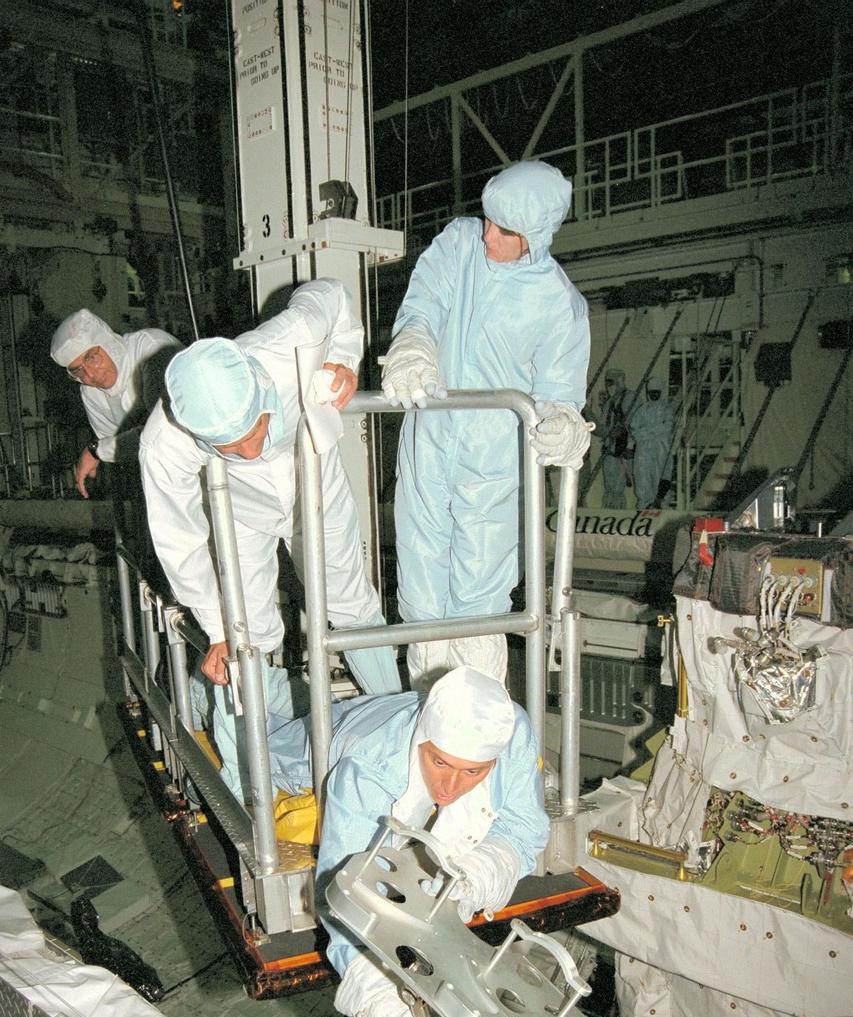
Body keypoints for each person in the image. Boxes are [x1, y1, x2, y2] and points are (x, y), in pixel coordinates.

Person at [139, 278, 400, 801]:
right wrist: (216, 628)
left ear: (261, 390)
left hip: (312, 475)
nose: (251, 449)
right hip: (239, 509)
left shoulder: (288, 341)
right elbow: (181, 541)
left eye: (254, 431)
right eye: (231, 445)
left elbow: (336, 301)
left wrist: (345, 360)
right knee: (246, 637)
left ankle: (402, 718)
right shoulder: (163, 443)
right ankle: (250, 794)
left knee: (349, 600)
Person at [269, 665, 549, 1017]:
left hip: (393, 711)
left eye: (473, 772)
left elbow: (523, 828)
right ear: (425, 741)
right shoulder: (366, 771)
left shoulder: (510, 730)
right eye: (440, 762)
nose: (451, 786)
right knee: (271, 742)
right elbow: (344, 900)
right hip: (317, 745)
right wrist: (391, 1015)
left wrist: (476, 873)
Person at [381, 160, 592, 691]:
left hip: (495, 465)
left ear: (536, 238)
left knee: (478, 600)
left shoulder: (560, 304)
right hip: (429, 445)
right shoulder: (459, 243)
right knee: (421, 591)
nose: (489, 236)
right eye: (488, 221)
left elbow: (560, 392)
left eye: (506, 231)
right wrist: (412, 345)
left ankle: (475, 739)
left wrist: (564, 425)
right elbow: (423, 302)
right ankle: (424, 728)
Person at [50, 309, 179, 499]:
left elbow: (166, 432)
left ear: (107, 343)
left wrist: (96, 451)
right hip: (160, 480)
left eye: (92, 358)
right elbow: (119, 449)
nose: (91, 376)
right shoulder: (90, 392)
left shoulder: (152, 348)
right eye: (78, 371)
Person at [629, 375, 675, 509]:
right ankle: (644, 506)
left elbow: (666, 428)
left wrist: (645, 432)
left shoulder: (666, 409)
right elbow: (634, 428)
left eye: (656, 392)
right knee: (642, 476)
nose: (654, 395)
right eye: (651, 393)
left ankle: (662, 505)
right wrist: (652, 432)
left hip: (661, 449)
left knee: (660, 476)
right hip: (643, 451)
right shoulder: (643, 409)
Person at [600, 368, 637, 509]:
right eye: (607, 382)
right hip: (610, 450)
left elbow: (634, 424)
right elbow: (604, 425)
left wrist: (630, 445)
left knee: (617, 487)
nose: (608, 386)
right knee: (609, 486)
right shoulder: (610, 403)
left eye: (611, 382)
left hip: (622, 451)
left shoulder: (630, 398)